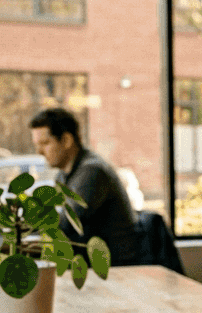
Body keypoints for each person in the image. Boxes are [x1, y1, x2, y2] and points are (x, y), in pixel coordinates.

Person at [30, 108, 138, 266]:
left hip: (115, 268)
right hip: (88, 264)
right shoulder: (63, 175)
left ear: (66, 140)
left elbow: (66, 224)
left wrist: (19, 227)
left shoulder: (92, 171)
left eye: (45, 143)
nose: (39, 152)